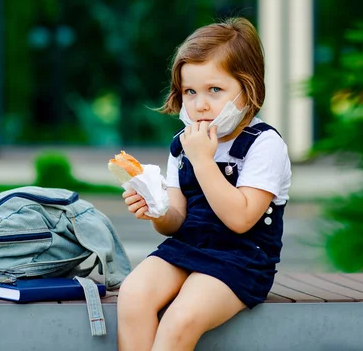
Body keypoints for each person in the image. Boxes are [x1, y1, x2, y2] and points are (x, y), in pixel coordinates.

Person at [117, 17, 292, 351]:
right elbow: (176, 222)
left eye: (215, 90)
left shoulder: (263, 144)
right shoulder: (183, 144)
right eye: (190, 92)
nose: (200, 105)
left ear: (248, 87)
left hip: (241, 259)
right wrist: (156, 210)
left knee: (180, 318)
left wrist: (203, 160)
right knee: (134, 295)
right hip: (188, 247)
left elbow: (240, 219)